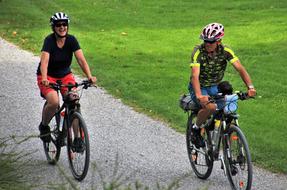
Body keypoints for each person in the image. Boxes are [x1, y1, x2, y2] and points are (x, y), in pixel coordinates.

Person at [188, 23, 256, 147]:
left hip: (214, 85)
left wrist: (250, 87)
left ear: (219, 41)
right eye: (205, 41)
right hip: (199, 86)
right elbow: (195, 76)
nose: (207, 44)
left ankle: (228, 152)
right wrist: (199, 95)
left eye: (211, 41)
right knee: (211, 107)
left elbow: (240, 68)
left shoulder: (225, 51)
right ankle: (196, 129)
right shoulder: (198, 52)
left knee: (228, 108)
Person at [36, 12, 97, 143]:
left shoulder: (71, 40)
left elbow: (81, 59)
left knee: (74, 101)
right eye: (58, 25)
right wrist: (45, 78)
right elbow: (44, 61)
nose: (62, 27)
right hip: (48, 76)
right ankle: (44, 126)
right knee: (54, 102)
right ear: (53, 27)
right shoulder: (49, 41)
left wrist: (90, 76)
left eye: (64, 24)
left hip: (65, 75)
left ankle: (78, 139)